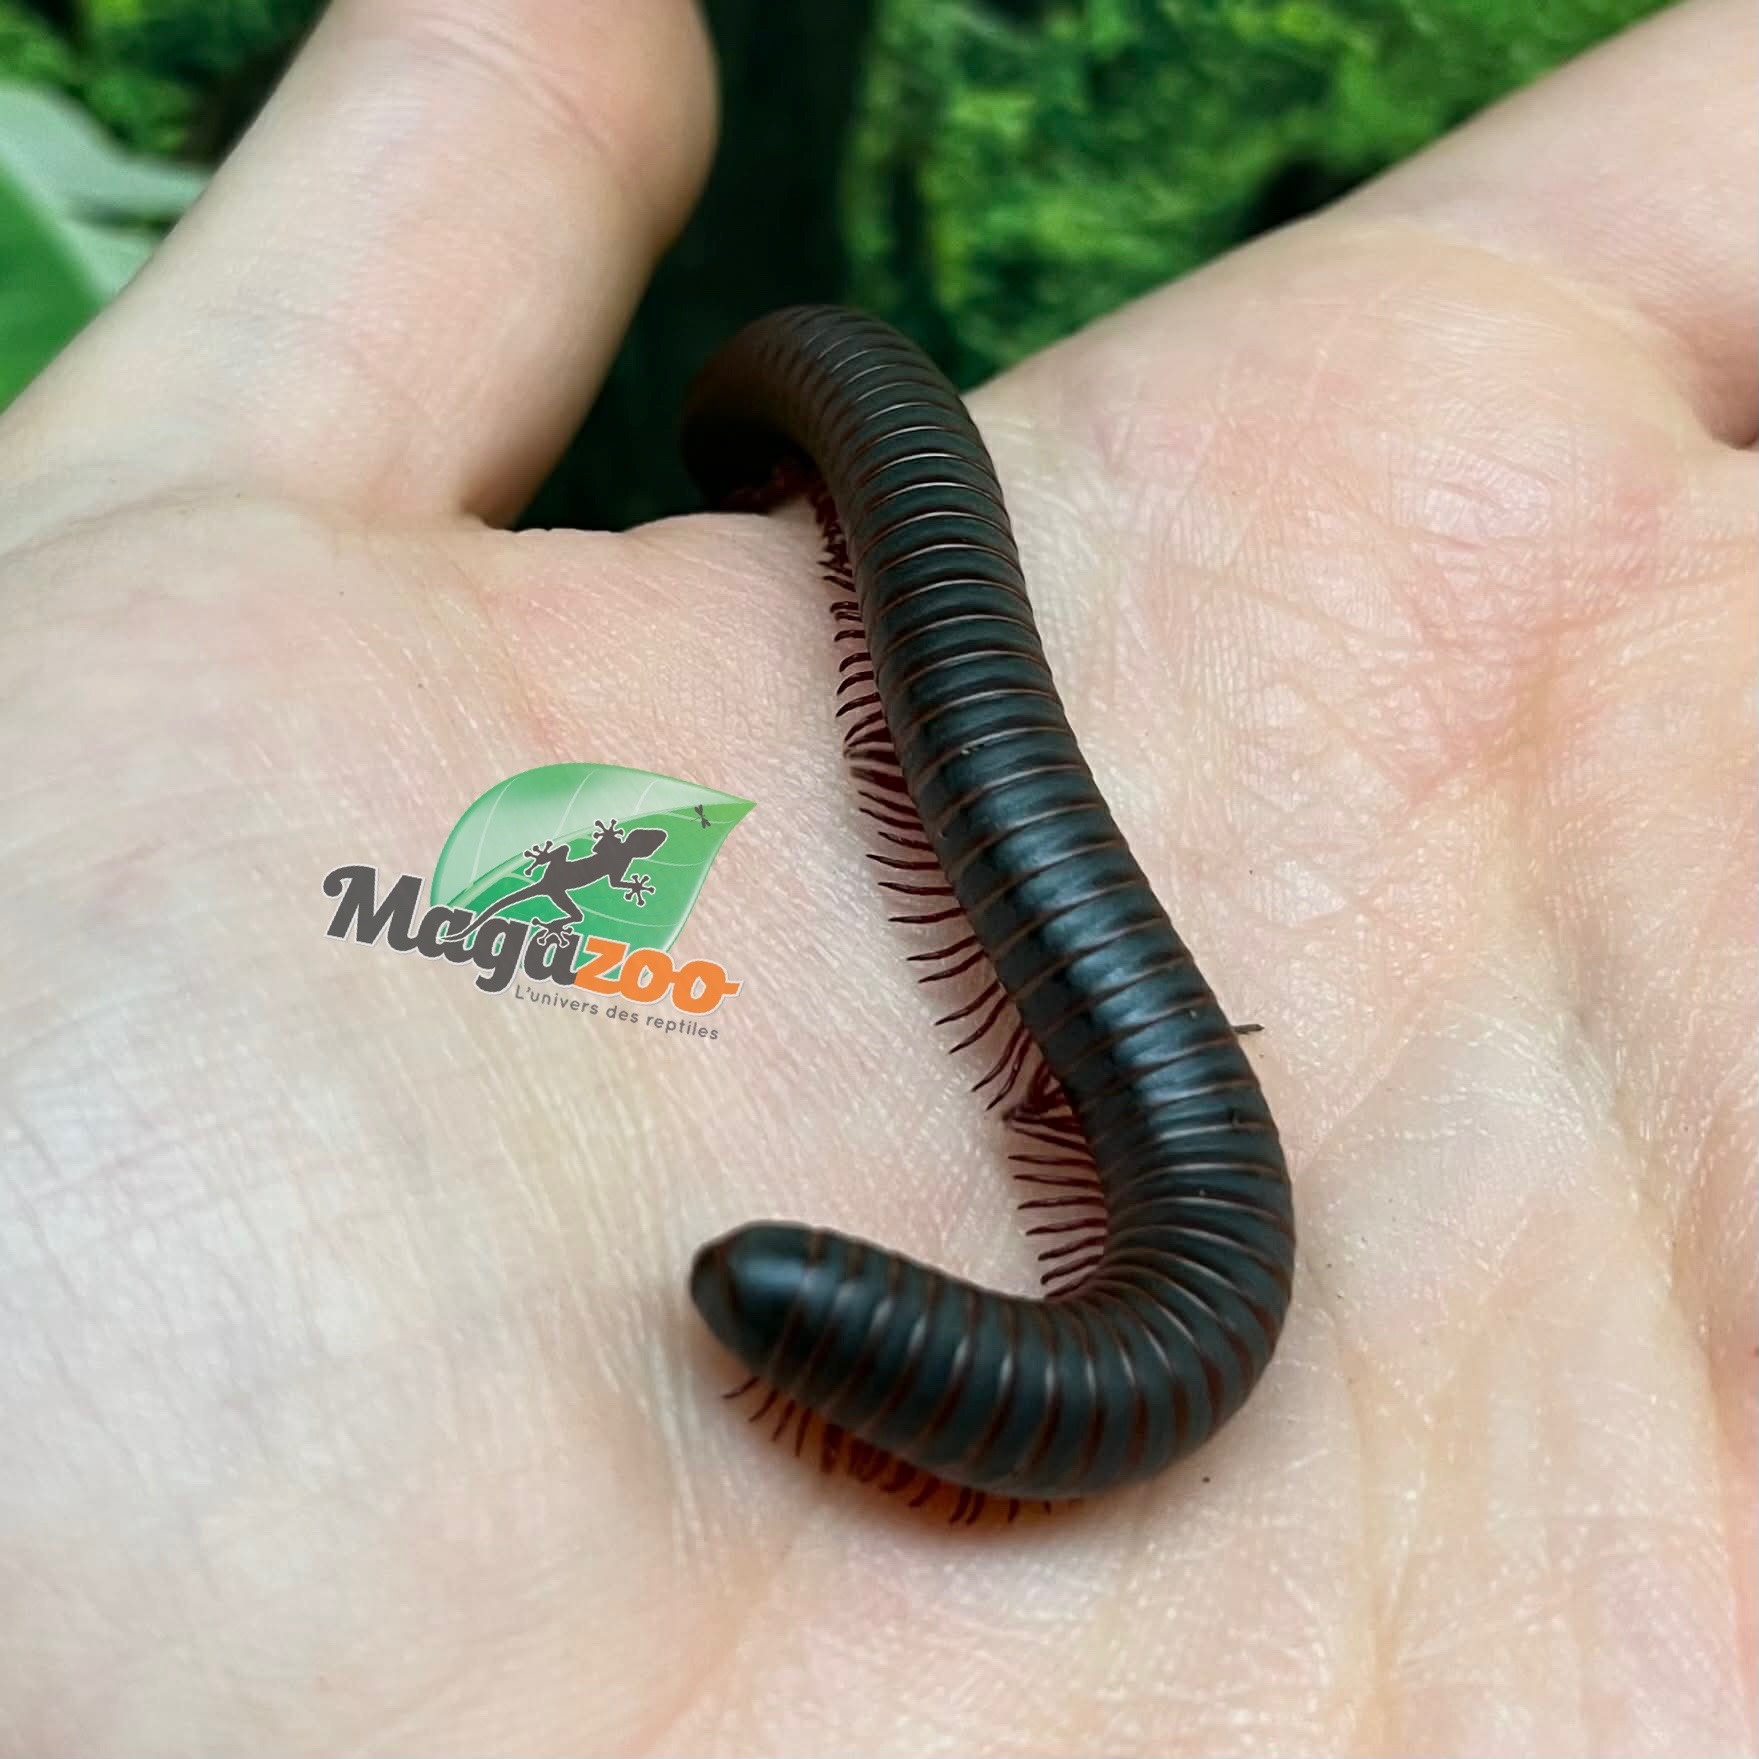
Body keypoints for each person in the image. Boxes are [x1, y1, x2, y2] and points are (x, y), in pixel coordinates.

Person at [0, 1, 1750, 1751]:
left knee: (991, 836)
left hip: (1143, 1256)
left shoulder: (1142, 1366)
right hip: (848, 443)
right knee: (988, 819)